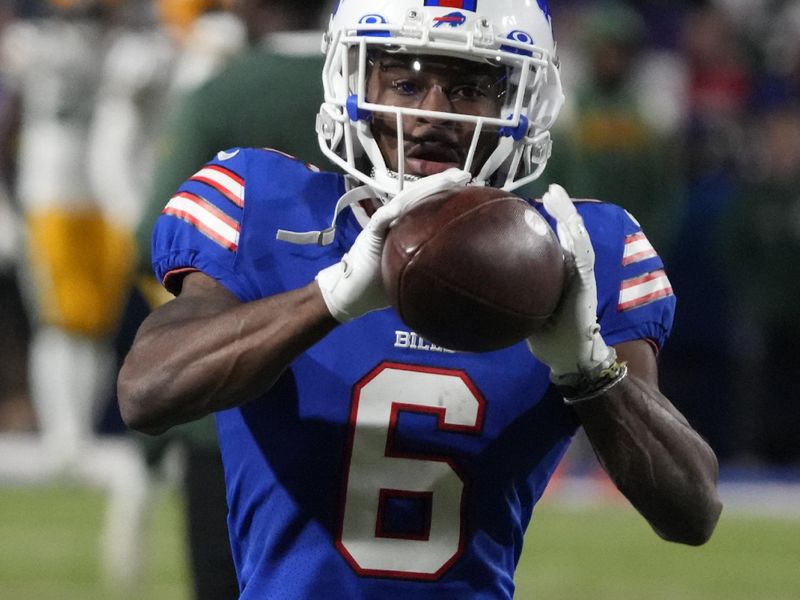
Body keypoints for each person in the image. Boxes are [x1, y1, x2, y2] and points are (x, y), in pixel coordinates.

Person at [119, 1, 722, 597]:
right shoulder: (264, 203)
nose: (434, 113)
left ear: (517, 104)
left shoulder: (581, 252)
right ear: (352, 83)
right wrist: (329, 297)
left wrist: (591, 372)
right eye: (407, 82)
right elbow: (147, 392)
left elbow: (692, 512)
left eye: (468, 88)